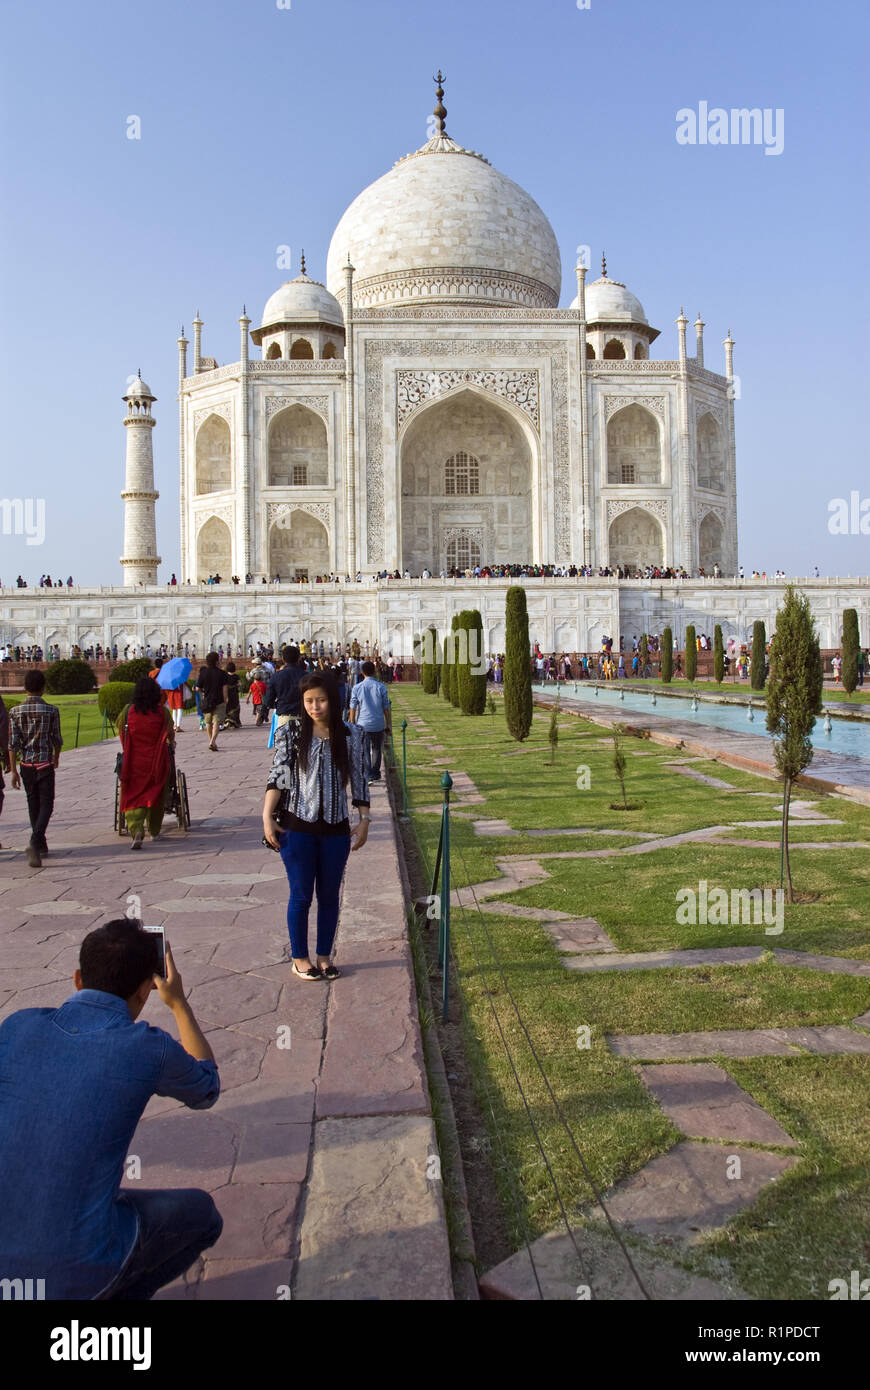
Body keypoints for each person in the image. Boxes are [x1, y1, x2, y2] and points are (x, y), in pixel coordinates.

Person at [0, 918, 221, 1299]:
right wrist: (179, 1003)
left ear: (77, 980)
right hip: (71, 1270)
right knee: (204, 1216)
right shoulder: (147, 1047)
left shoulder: (17, 1026)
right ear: (144, 992)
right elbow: (207, 1088)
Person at [262, 673, 370, 981]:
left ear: (333, 700)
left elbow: (360, 779)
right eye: (309, 701)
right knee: (301, 895)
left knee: (329, 895)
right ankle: (300, 958)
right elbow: (279, 774)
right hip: (298, 826)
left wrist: (364, 820)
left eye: (321, 700)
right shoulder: (292, 731)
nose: (315, 707)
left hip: (336, 828)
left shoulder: (351, 734)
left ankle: (324, 955)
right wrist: (267, 815)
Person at [9, 669, 62, 868]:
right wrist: (56, 758)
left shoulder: (15, 711)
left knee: (33, 802)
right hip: (45, 762)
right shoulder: (51, 710)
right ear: (43, 687)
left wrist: (13, 770)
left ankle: (40, 843)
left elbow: (13, 744)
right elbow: (56, 739)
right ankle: (35, 841)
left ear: (25, 687)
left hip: (26, 764)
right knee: (47, 804)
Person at [118, 677, 175, 849]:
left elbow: (121, 730)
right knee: (157, 795)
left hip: (133, 760)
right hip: (157, 760)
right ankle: (154, 830)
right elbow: (169, 734)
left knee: (133, 793)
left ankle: (136, 828)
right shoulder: (162, 713)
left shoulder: (128, 711)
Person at [348, 659, 391, 782]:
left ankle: (367, 773)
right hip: (378, 723)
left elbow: (353, 707)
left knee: (365, 749)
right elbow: (386, 708)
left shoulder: (357, 687)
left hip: (363, 723)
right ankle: (375, 773)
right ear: (375, 671)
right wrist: (388, 725)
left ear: (362, 672)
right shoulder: (381, 687)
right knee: (377, 748)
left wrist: (352, 723)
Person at [195, 652, 229, 751]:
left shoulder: (203, 673)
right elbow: (225, 688)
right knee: (216, 722)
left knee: (208, 722)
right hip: (219, 700)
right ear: (217, 661)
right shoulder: (222, 673)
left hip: (207, 700)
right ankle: (213, 741)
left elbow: (197, 688)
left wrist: (204, 691)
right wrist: (225, 699)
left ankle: (211, 740)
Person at [221, 661, 241, 729]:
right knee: (236, 707)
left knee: (227, 707)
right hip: (234, 694)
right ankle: (236, 721)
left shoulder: (225, 676)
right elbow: (239, 684)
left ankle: (227, 721)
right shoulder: (236, 676)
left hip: (227, 694)